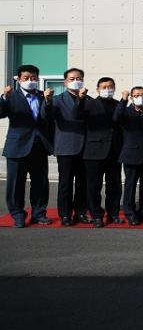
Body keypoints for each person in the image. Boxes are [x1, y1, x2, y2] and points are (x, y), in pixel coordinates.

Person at [1, 65, 54, 228]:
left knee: (40, 183)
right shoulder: (12, 96)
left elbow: (49, 118)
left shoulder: (43, 95)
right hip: (17, 146)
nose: (30, 81)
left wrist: (48, 101)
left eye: (33, 78)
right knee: (16, 183)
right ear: (19, 80)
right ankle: (17, 214)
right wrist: (4, 98)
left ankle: (39, 213)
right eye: (26, 78)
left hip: (39, 146)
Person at [49, 67, 90, 226]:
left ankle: (81, 212)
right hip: (66, 147)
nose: (76, 81)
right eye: (72, 79)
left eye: (79, 78)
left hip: (85, 147)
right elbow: (48, 116)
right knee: (65, 183)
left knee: (82, 183)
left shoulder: (89, 100)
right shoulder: (57, 100)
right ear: (65, 82)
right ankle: (65, 214)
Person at [81, 77, 123, 227]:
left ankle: (113, 213)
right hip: (94, 151)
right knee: (94, 186)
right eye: (104, 87)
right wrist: (80, 99)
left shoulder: (119, 104)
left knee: (115, 185)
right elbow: (77, 115)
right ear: (98, 89)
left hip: (114, 151)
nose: (107, 89)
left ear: (114, 88)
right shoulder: (89, 104)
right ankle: (96, 215)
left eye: (110, 87)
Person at [114, 86, 143, 226]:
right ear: (132, 97)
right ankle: (130, 213)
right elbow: (116, 117)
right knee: (130, 185)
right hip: (131, 153)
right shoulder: (126, 111)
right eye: (137, 95)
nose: (140, 97)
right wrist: (123, 99)